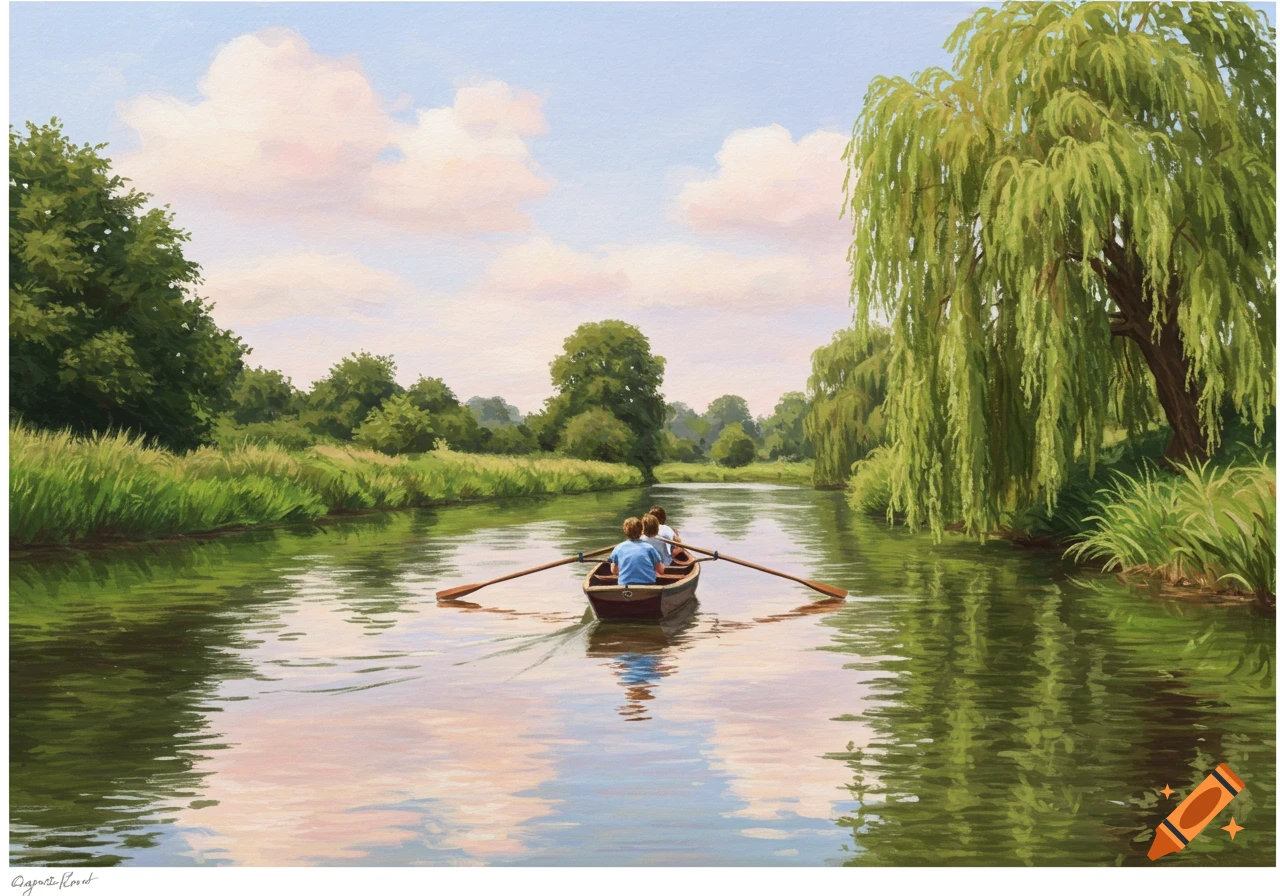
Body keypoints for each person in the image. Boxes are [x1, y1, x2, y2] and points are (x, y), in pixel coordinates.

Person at [610, 516, 665, 586]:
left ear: (625, 531)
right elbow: (661, 571)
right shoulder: (649, 548)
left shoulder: (618, 548)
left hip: (624, 585)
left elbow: (613, 570)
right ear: (641, 530)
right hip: (648, 584)